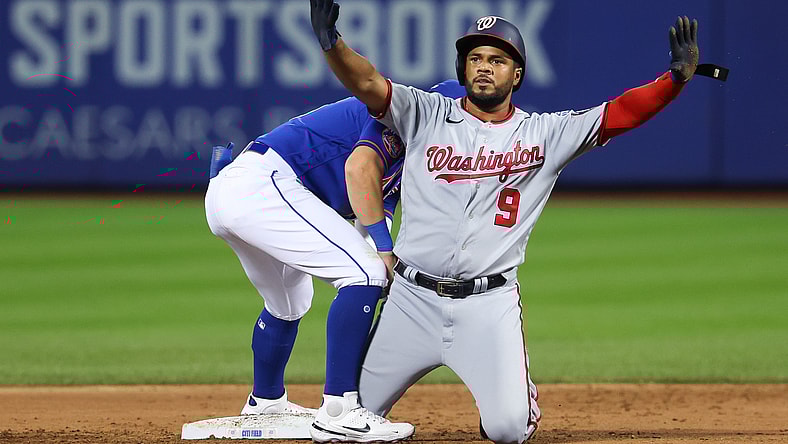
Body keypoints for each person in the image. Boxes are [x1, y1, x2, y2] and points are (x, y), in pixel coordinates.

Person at [310, 1, 703, 442]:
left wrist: (673, 83)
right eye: (475, 58)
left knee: (507, 431)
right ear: (462, 68)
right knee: (350, 417)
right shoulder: (423, 112)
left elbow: (619, 113)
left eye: (497, 59)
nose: (484, 67)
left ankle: (518, 397)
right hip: (410, 301)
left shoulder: (546, 133)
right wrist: (331, 43)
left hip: (487, 306)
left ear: (516, 74)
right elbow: (366, 81)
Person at [204, 81, 465, 442]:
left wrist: (380, 251)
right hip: (262, 185)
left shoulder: (417, 148)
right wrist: (380, 258)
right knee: (366, 274)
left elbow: (378, 201)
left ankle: (265, 401)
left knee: (290, 302)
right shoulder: (394, 116)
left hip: (243, 191)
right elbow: (358, 171)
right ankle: (340, 409)